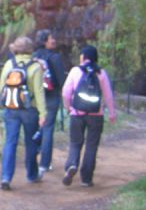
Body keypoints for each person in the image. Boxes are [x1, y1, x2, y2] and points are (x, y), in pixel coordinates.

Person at [61, 45, 116, 187]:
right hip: (96, 115)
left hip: (77, 114)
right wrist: (111, 113)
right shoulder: (101, 73)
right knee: (91, 146)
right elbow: (108, 95)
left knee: (75, 143)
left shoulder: (75, 71)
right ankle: (86, 178)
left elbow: (66, 92)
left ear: (83, 57)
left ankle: (72, 165)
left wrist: (68, 107)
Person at [0, 36, 46, 190]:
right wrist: (43, 114)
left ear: (15, 48)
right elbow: (39, 92)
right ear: (31, 49)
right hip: (29, 110)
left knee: (10, 142)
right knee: (30, 143)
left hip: (11, 109)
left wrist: (7, 103)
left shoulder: (9, 64)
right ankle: (31, 175)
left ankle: (6, 177)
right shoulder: (35, 67)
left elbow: (1, 88)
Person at [33, 29, 67, 176]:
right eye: (51, 38)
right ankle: (45, 164)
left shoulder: (33, 57)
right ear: (45, 41)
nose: (54, 40)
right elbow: (61, 80)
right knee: (47, 129)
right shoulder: (54, 57)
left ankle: (32, 157)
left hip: (35, 97)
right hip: (51, 97)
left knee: (36, 127)